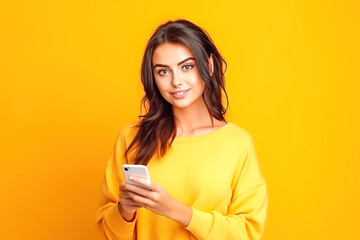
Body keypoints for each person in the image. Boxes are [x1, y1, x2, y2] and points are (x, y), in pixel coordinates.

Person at [95, 19, 268, 240]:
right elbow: (105, 234)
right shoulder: (131, 137)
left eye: (187, 66)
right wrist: (124, 211)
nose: (176, 81)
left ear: (210, 65)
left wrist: (176, 211)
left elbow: (246, 233)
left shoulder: (237, 143)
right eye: (163, 71)